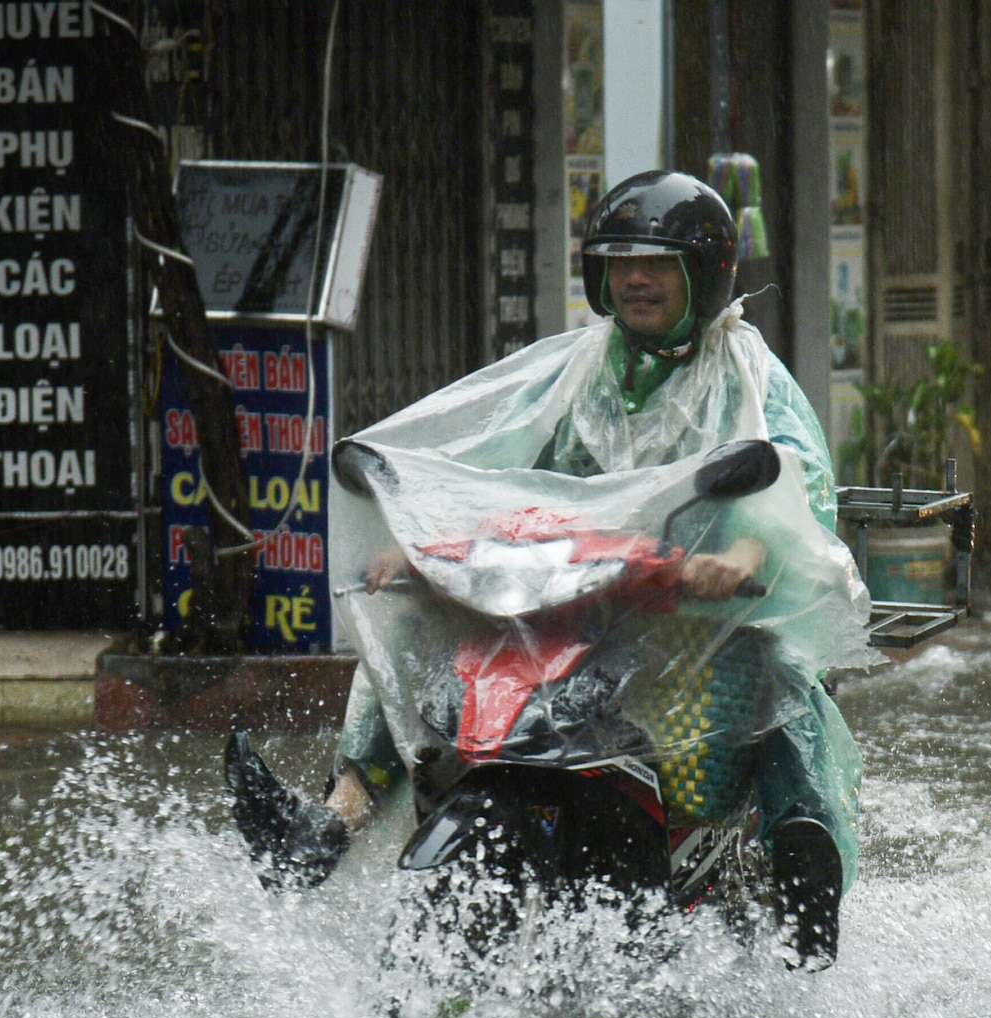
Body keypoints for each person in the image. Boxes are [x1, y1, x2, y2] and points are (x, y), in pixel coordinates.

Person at [229, 170, 872, 970]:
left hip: (702, 616)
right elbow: (489, 464)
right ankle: (332, 819)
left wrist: (743, 554)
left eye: (659, 261)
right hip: (584, 600)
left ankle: (802, 853)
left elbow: (795, 476)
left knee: (781, 676)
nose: (635, 277)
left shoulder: (750, 376)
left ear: (704, 275)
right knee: (420, 627)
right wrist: (428, 540)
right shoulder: (572, 370)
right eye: (620, 259)